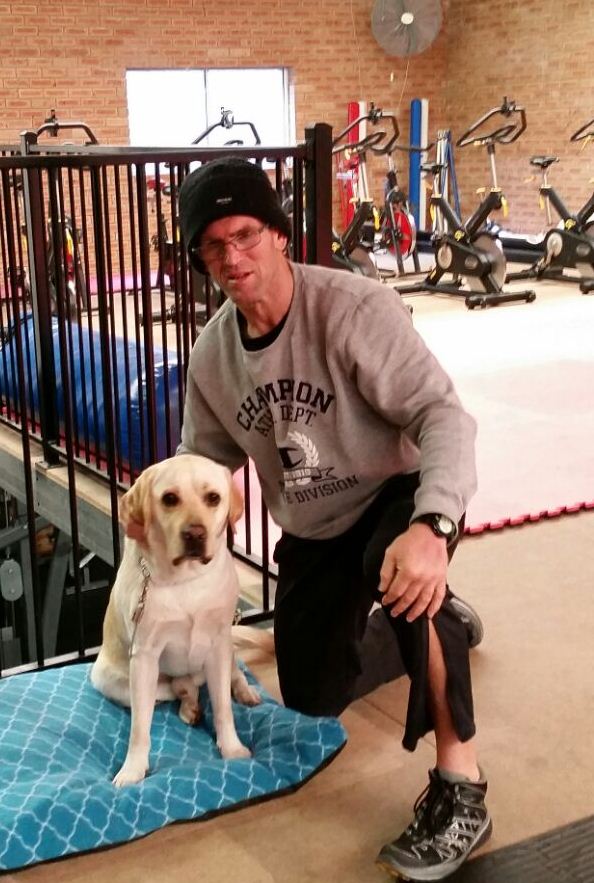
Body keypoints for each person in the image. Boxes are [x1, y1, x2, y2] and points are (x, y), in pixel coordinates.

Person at [177, 157, 492, 881]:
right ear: (200, 256)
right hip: (315, 528)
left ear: (280, 235)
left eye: (247, 233)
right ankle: (438, 635)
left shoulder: (351, 310)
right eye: (214, 243)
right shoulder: (213, 358)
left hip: (396, 495)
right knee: (315, 697)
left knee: (413, 584)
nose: (233, 255)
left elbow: (444, 416)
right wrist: (159, 534)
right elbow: (198, 467)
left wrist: (434, 525)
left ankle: (462, 785)